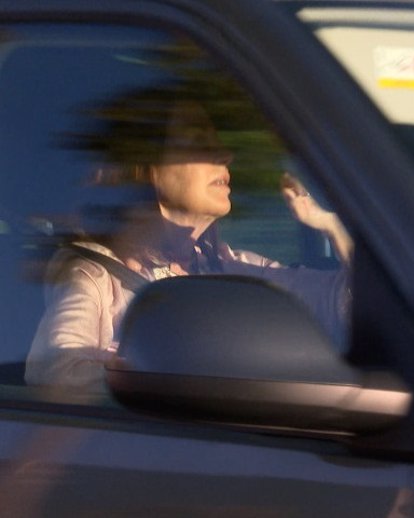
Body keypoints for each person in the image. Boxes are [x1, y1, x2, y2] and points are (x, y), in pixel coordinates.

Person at [25, 92, 352, 391]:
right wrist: (160, 371)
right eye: (198, 142)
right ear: (149, 170)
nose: (225, 155)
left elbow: (351, 304)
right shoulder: (96, 276)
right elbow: (56, 371)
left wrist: (330, 224)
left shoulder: (234, 267)